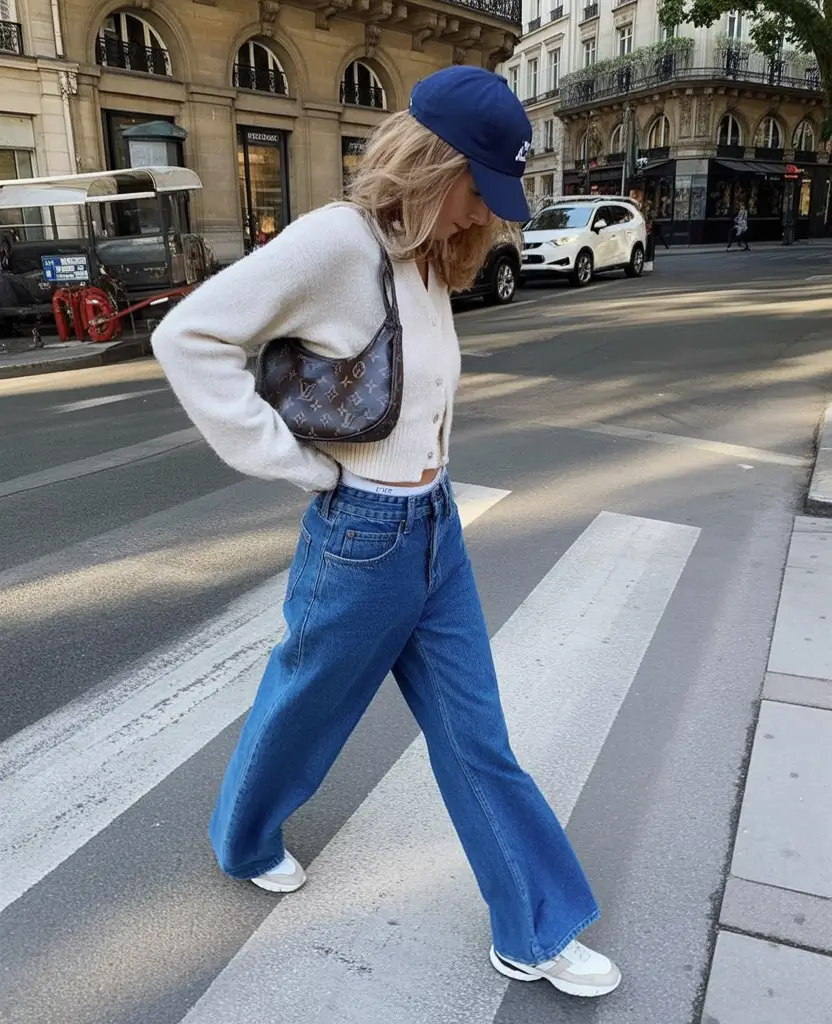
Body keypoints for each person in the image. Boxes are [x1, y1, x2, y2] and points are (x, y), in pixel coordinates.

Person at [151, 65, 621, 1001]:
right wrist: (297, 466)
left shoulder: (428, 258)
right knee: (302, 710)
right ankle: (244, 839)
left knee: (477, 738)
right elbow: (188, 336)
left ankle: (534, 928)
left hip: (436, 529)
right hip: (361, 537)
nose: (480, 218)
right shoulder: (336, 241)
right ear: (429, 163)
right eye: (475, 193)